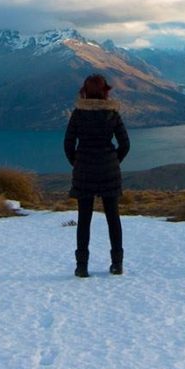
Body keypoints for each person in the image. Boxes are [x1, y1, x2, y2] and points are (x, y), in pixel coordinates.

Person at [63, 73, 130, 277]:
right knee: (113, 217)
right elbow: (125, 144)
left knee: (84, 219)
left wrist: (77, 162)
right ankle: (117, 264)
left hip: (84, 171)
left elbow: (68, 144)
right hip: (108, 170)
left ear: (85, 91)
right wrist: (113, 161)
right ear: (105, 91)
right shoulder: (112, 114)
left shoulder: (78, 114)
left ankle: (81, 266)